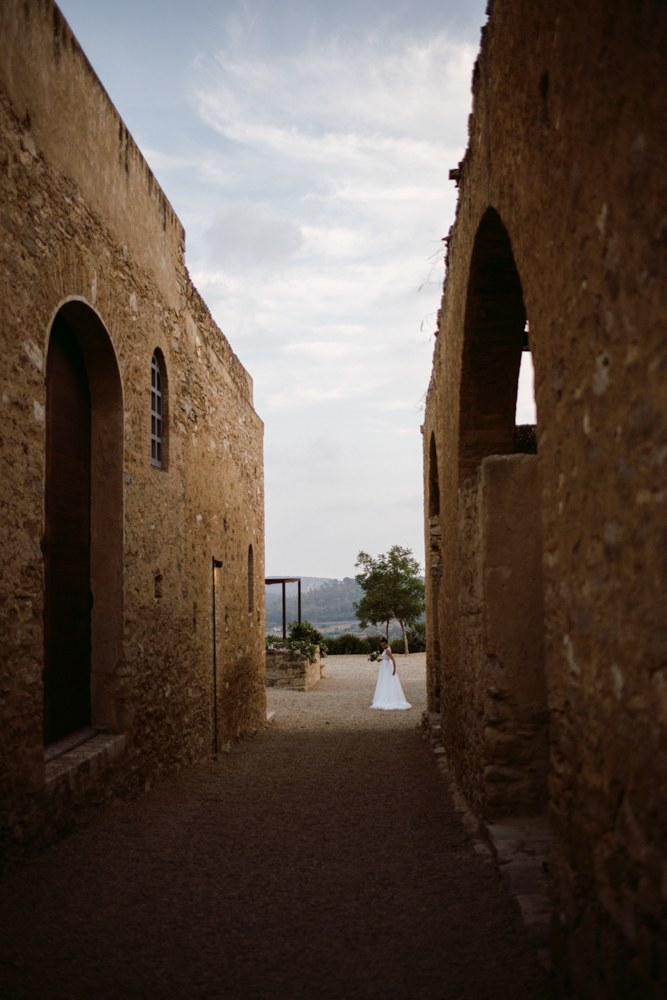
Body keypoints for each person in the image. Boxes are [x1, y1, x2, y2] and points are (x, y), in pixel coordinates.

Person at [370, 638, 411, 710]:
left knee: (387, 680)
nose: (383, 646)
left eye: (383, 644)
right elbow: (386, 658)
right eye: (381, 645)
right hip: (385, 665)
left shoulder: (388, 650)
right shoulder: (386, 649)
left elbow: (393, 659)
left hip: (387, 666)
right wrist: (381, 659)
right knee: (385, 679)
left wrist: (394, 669)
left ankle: (387, 697)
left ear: (386, 643)